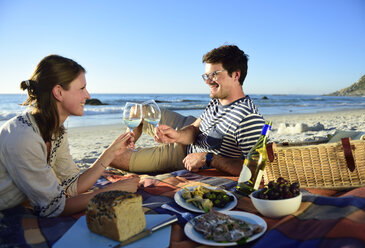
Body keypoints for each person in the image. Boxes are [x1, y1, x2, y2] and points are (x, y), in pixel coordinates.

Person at [0, 55, 139, 218]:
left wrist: (111, 152)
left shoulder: (55, 131)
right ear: (59, 92)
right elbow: (55, 207)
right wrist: (114, 190)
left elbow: (71, 186)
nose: (87, 95)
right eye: (82, 88)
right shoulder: (23, 137)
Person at [111, 45, 265, 176]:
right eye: (206, 75)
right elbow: (195, 128)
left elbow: (256, 168)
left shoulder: (248, 118)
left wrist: (209, 158)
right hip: (189, 131)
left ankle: (132, 157)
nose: (207, 81)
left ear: (236, 75)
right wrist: (176, 135)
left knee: (113, 157)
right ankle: (130, 147)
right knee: (139, 110)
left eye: (214, 74)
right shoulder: (218, 100)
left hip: (184, 155)